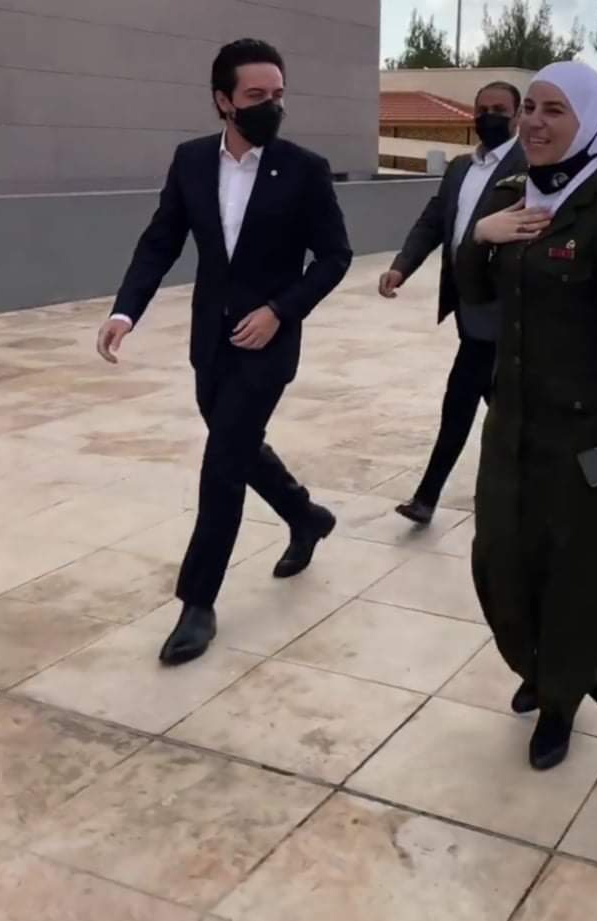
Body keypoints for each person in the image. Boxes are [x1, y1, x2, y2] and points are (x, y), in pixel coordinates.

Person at [96, 39, 352, 666]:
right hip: (210, 340)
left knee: (222, 465)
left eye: (279, 95)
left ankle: (197, 603)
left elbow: (335, 256)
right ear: (223, 101)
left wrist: (279, 311)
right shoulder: (190, 161)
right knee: (236, 446)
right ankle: (305, 515)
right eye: (256, 95)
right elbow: (161, 241)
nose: (271, 106)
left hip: (268, 344)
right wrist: (125, 311)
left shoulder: (304, 169)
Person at [457, 61, 597, 771]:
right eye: (530, 109)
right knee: (499, 556)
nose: (535, 124)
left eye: (554, 111)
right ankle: (536, 662)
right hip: (513, 424)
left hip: (589, 436)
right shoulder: (512, 195)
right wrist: (481, 235)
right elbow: (472, 292)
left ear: (588, 121)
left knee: (576, 573)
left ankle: (560, 699)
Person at [378, 82, 527, 525]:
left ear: (518, 115)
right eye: (482, 109)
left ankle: (429, 497)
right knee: (500, 407)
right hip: (466, 305)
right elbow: (432, 221)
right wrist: (401, 266)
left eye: (499, 109)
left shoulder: (530, 165)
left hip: (504, 309)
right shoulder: (461, 167)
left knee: (464, 401)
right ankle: (530, 488)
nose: (489, 116)